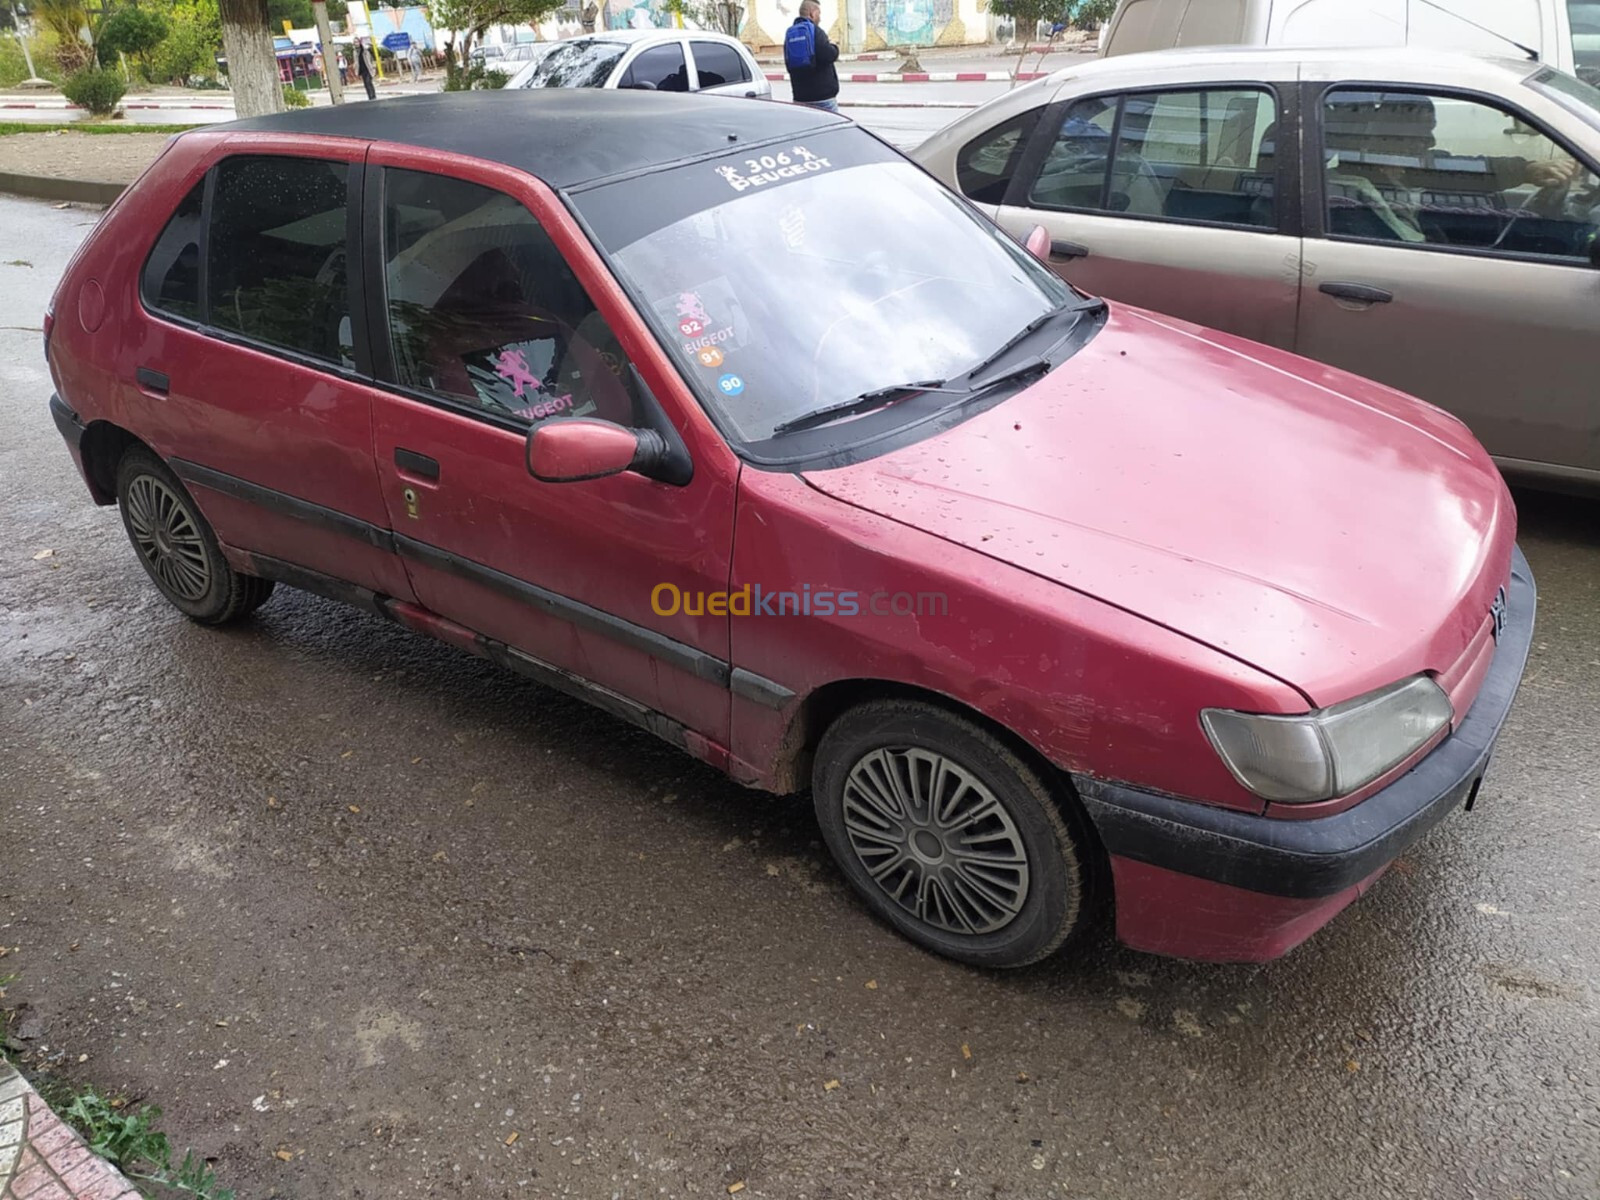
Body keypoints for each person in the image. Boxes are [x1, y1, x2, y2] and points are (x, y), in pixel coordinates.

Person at [786, 0, 840, 113]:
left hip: (800, 97)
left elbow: (789, 63)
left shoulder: (790, 34)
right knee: (832, 129)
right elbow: (828, 55)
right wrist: (834, 47)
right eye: (819, 13)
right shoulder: (816, 31)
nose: (820, 18)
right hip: (822, 97)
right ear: (812, 13)